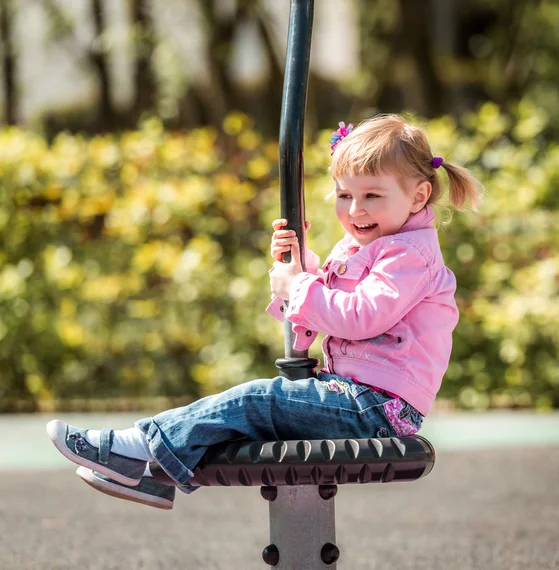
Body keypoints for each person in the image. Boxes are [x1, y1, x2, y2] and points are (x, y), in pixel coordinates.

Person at [47, 114, 483, 510]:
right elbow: (322, 311)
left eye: (372, 195)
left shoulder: (409, 255)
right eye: (344, 194)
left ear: (418, 195)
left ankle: (136, 447)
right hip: (356, 397)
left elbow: (360, 316)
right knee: (248, 410)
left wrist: (299, 285)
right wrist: (301, 265)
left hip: (378, 408)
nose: (355, 210)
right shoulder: (366, 248)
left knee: (257, 400)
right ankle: (150, 472)